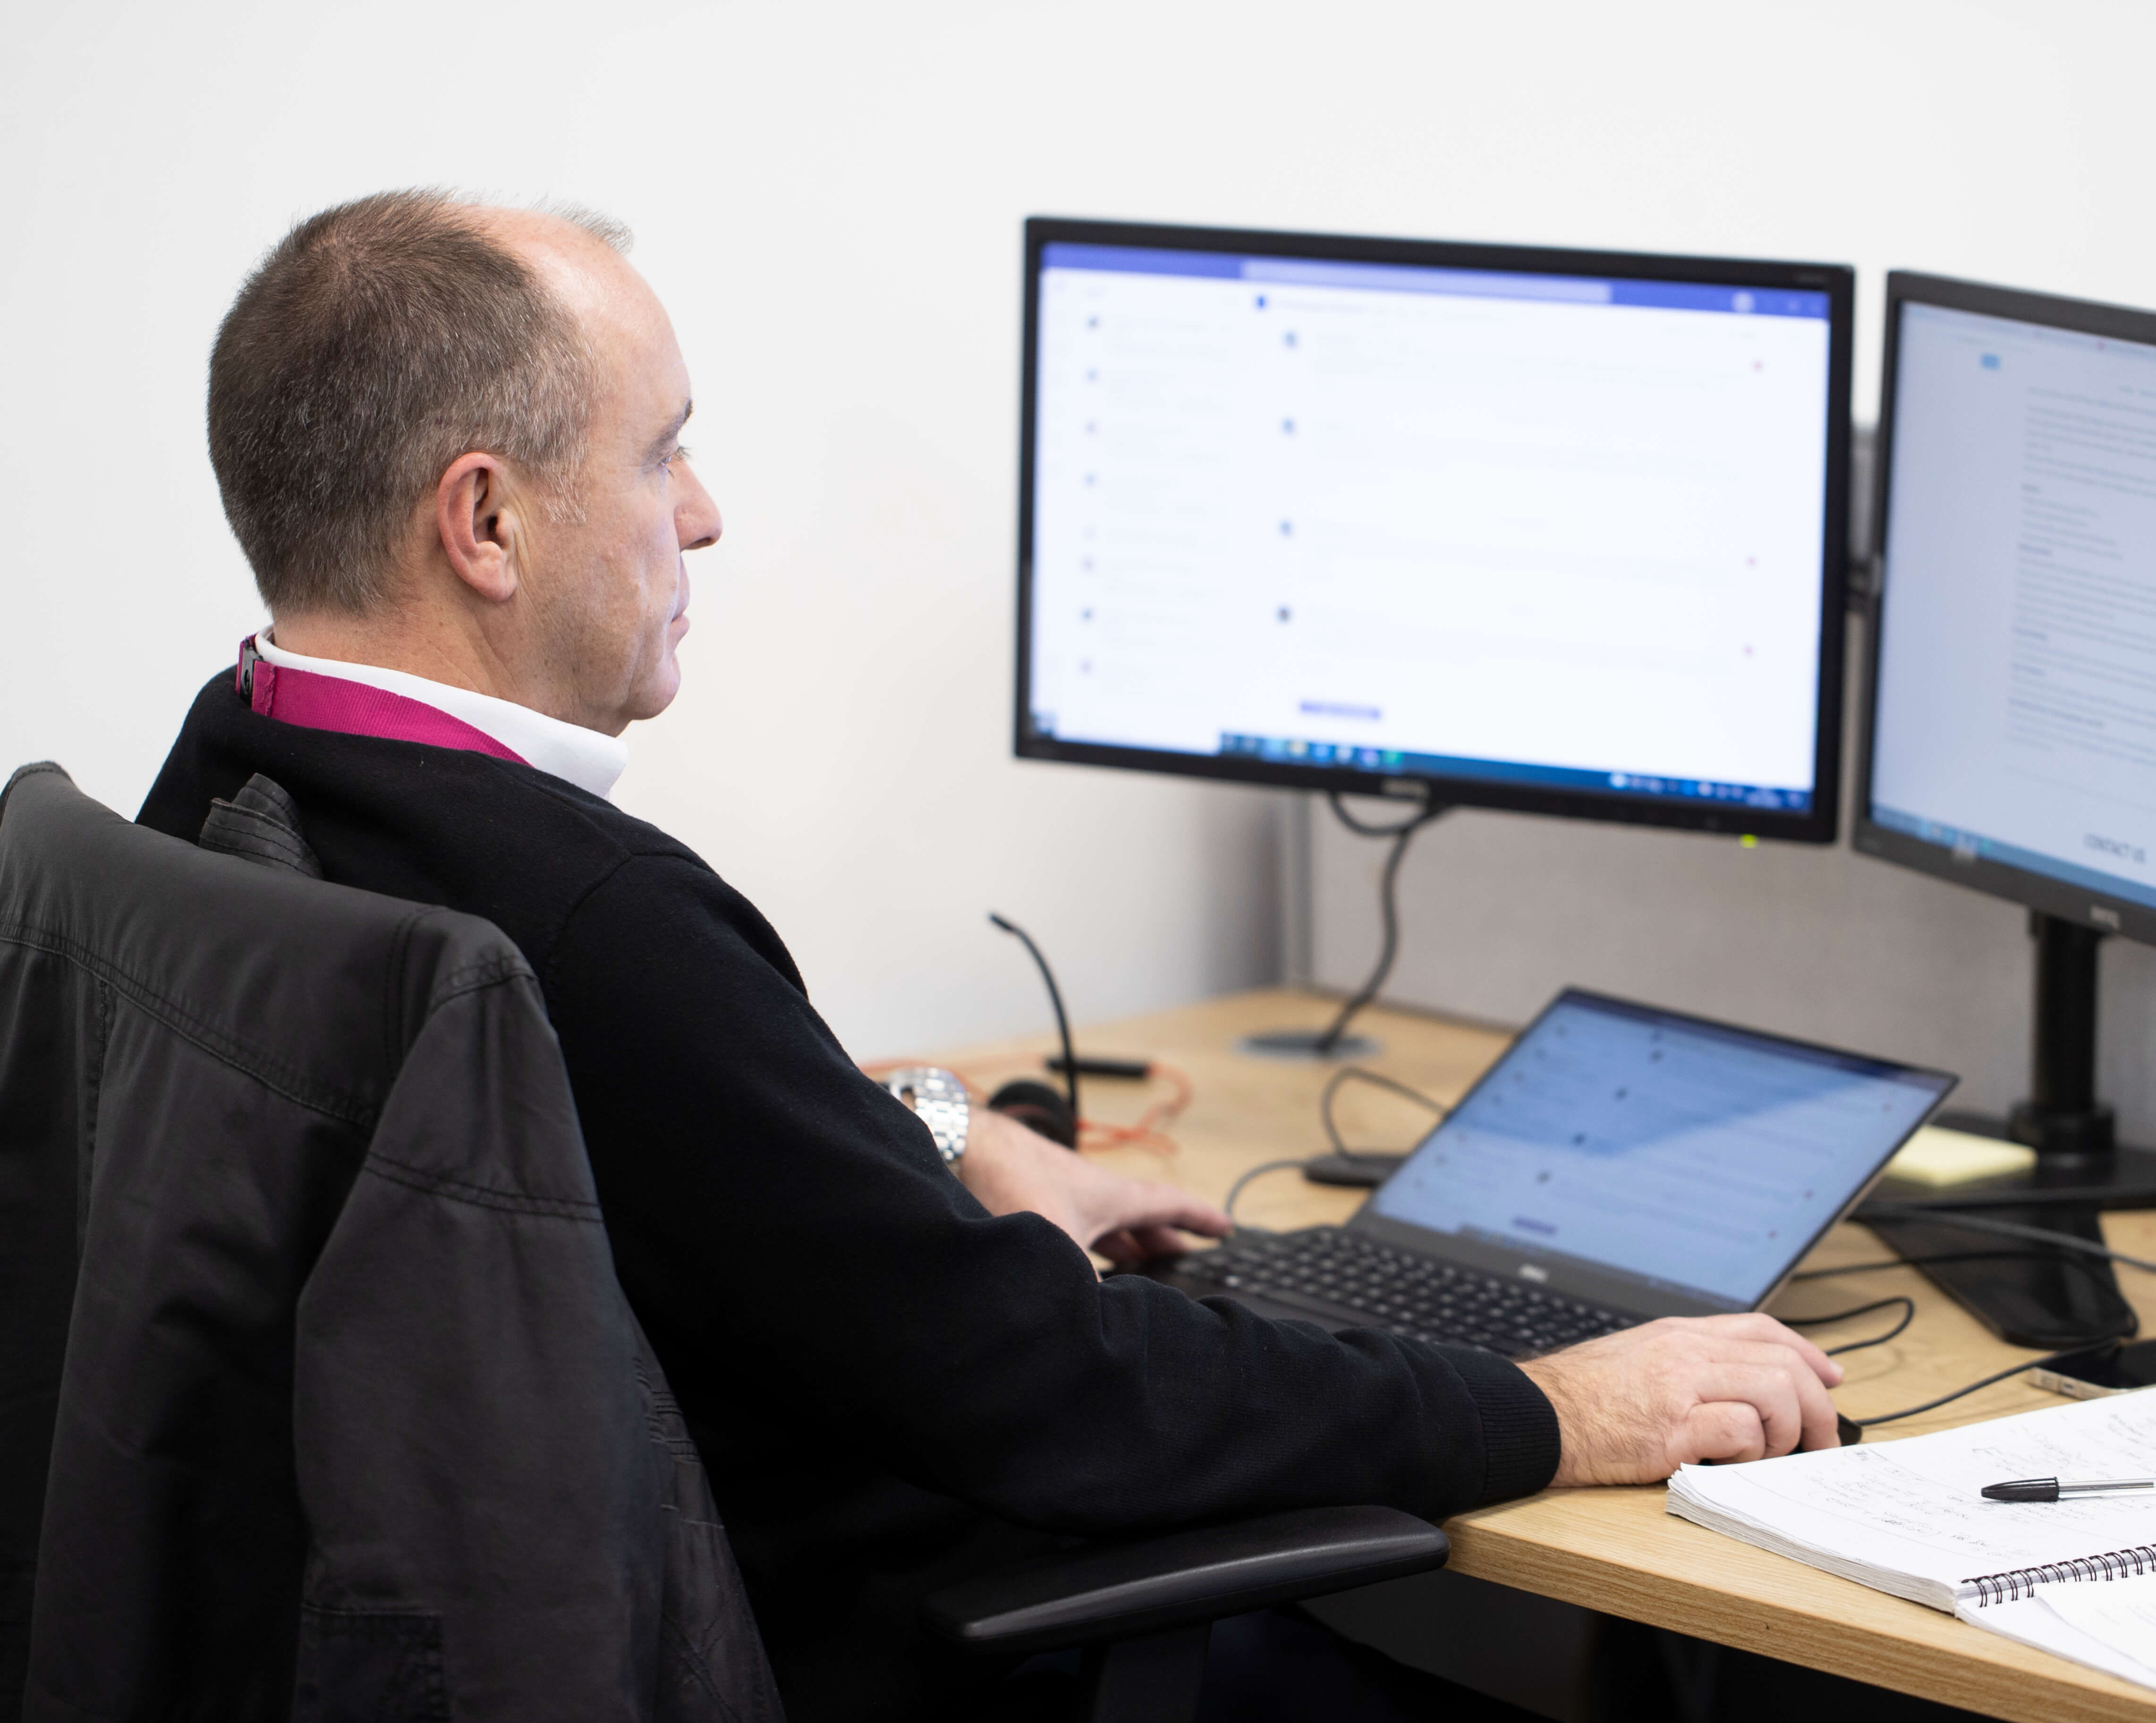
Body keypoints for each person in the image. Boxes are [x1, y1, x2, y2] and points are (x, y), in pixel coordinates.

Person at [138, 190, 1845, 1717]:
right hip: (887, 1642)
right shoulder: (590, 919)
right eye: (663, 453)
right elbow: (1055, 1392)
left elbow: (636, 1152)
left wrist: (943, 1139)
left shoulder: (236, 769)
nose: (707, 513)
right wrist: (1556, 1410)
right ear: (487, 523)